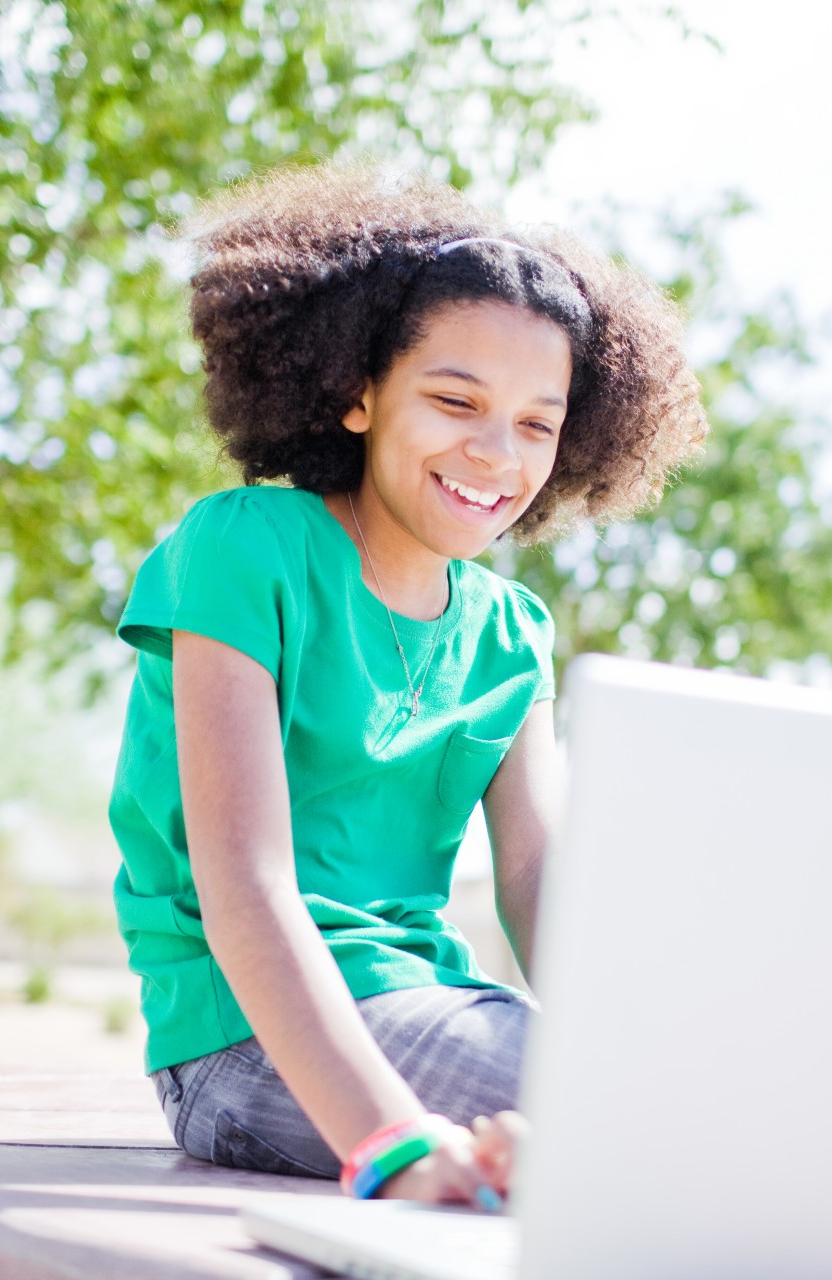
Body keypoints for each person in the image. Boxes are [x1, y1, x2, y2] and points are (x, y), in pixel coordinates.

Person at [108, 165, 706, 1208]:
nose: (495, 451)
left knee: (700, 1102)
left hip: (433, 1008)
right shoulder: (245, 546)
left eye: (537, 421)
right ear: (357, 393)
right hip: (244, 1044)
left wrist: (634, 1059)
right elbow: (247, 885)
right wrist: (389, 1142)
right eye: (454, 399)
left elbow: (539, 878)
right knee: (677, 1138)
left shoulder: (515, 637)